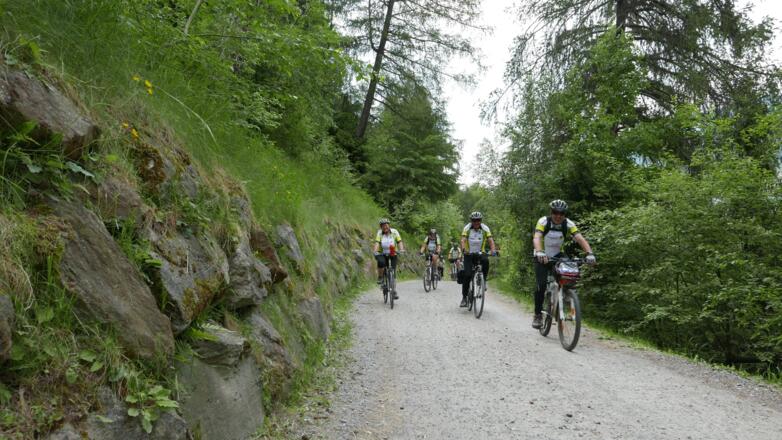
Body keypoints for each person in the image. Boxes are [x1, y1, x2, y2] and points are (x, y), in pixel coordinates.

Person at [531, 199, 596, 328]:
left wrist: (589, 253)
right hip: (542, 256)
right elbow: (537, 237)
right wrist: (539, 251)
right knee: (541, 285)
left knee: (570, 274)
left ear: (565, 214)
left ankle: (566, 295)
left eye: (561, 213)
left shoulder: (569, 224)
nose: (558, 216)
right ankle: (538, 315)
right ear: (551, 212)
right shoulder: (544, 221)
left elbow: (579, 238)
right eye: (555, 212)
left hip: (557, 256)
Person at [459, 212, 497, 307]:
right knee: (467, 275)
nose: (476, 222)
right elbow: (463, 240)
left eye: (478, 220)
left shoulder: (485, 228)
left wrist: (493, 250)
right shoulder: (467, 228)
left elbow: (490, 240)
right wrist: (464, 249)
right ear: (471, 221)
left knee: (486, 261)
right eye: (474, 220)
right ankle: (464, 298)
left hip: (480, 253)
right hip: (469, 253)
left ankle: (484, 279)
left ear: (481, 221)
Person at [373, 218, 405, 299]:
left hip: (392, 251)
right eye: (383, 226)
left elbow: (399, 241)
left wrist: (401, 249)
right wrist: (375, 251)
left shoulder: (394, 231)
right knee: (381, 262)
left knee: (393, 272)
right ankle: (380, 277)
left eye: (386, 225)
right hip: (382, 252)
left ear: (389, 225)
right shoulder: (379, 233)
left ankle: (393, 291)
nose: (385, 227)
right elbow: (377, 243)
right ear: (381, 227)